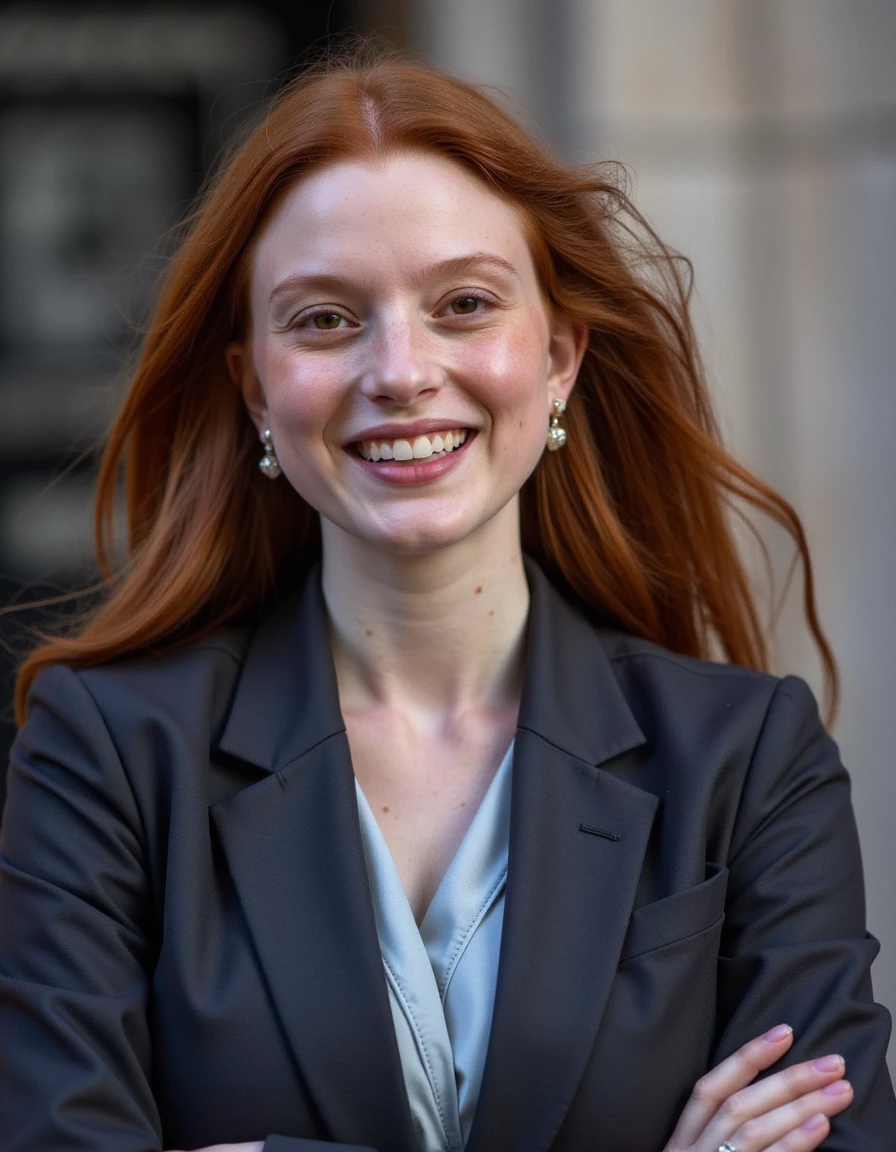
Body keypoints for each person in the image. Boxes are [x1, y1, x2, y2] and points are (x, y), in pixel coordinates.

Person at [0, 49, 894, 1152]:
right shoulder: (108, 759)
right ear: (254, 390)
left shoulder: (746, 760)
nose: (400, 370)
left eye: (463, 304)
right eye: (325, 320)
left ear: (558, 356)